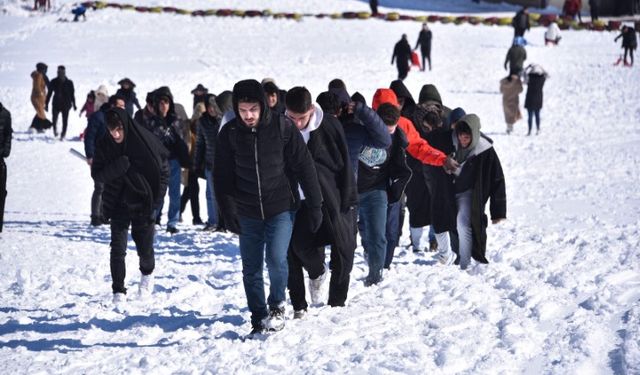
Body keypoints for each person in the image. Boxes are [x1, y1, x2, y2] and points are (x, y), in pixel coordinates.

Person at [213, 79, 322, 336]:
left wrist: (316, 205)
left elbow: (305, 167)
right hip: (247, 211)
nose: (248, 115)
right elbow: (221, 176)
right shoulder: (229, 133)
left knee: (275, 259)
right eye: (243, 110)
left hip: (281, 207)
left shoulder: (282, 128)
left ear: (262, 105)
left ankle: (277, 307)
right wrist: (228, 211)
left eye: (253, 109)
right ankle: (258, 316)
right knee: (250, 268)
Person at [283, 86, 357, 317]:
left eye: (301, 118)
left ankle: (337, 303)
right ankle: (314, 276)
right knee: (298, 248)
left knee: (343, 248)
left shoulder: (330, 126)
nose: (296, 123)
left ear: (312, 110)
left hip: (332, 198)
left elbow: (344, 163)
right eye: (291, 117)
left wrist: (349, 197)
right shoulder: (281, 128)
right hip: (300, 201)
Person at [91, 107, 169, 304]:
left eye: (119, 130)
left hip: (143, 203)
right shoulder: (104, 145)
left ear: (125, 125)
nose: (115, 134)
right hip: (116, 204)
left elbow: (163, 172)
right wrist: (118, 167)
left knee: (144, 248)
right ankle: (118, 291)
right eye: (111, 130)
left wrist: (156, 203)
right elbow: (97, 175)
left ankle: (147, 275)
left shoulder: (144, 142)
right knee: (117, 248)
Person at [450, 114, 506, 269]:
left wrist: (498, 212)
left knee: (463, 223)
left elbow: (497, 179)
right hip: (449, 191)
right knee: (448, 224)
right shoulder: (450, 142)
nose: (462, 140)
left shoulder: (485, 150)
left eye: (467, 137)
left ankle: (465, 262)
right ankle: (455, 256)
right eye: (460, 136)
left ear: (474, 135)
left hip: (470, 193)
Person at [144, 87, 190, 233]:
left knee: (175, 194)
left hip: (174, 162)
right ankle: (154, 219)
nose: (164, 105)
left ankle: (172, 222)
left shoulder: (176, 121)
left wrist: (186, 160)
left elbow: (183, 142)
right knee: (158, 193)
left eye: (166, 102)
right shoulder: (151, 122)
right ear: (157, 105)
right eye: (161, 102)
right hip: (157, 163)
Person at [84, 95, 125, 226]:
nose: (123, 108)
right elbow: (89, 137)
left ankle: (104, 214)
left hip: (114, 159)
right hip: (99, 158)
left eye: (124, 106)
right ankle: (95, 216)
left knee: (111, 187)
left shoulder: (121, 120)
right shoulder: (98, 117)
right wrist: (90, 155)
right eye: (120, 106)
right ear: (113, 106)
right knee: (100, 187)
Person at [194, 94, 223, 231]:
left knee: (222, 194)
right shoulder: (202, 121)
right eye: (210, 107)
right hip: (209, 163)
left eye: (214, 106)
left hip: (223, 163)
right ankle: (212, 221)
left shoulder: (223, 120)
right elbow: (200, 143)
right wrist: (197, 162)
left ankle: (223, 221)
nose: (212, 109)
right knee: (210, 194)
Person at [179, 102, 205, 226]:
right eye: (197, 115)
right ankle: (196, 217)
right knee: (193, 190)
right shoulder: (188, 128)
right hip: (190, 164)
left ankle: (180, 212)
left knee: (189, 190)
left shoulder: (204, 127)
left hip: (199, 163)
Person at [46, 65, 76, 140]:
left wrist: (74, 104)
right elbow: (49, 93)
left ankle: (63, 134)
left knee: (65, 120)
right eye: (59, 72)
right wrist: (46, 104)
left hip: (66, 104)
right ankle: (55, 131)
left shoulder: (69, 83)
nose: (60, 73)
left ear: (64, 72)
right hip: (56, 104)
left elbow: (72, 94)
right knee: (54, 119)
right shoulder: (53, 81)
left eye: (62, 72)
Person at [524, 64, 548, 136]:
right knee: (537, 115)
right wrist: (541, 67)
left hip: (529, 99)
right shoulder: (541, 79)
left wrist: (528, 67)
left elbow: (523, 73)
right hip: (538, 99)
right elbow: (547, 75)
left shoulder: (529, 78)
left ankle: (529, 130)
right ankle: (538, 129)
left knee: (530, 116)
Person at [29, 62, 52, 133]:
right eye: (45, 69)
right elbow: (37, 86)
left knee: (39, 113)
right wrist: (40, 93)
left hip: (41, 98)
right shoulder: (38, 75)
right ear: (42, 69)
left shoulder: (43, 76)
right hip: (36, 98)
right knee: (41, 113)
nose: (46, 71)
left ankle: (37, 127)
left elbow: (49, 85)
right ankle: (40, 126)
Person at [0, 103, 11, 233]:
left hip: (0, 159)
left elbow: (8, 135)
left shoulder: (5, 114)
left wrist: (5, 151)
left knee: (1, 194)